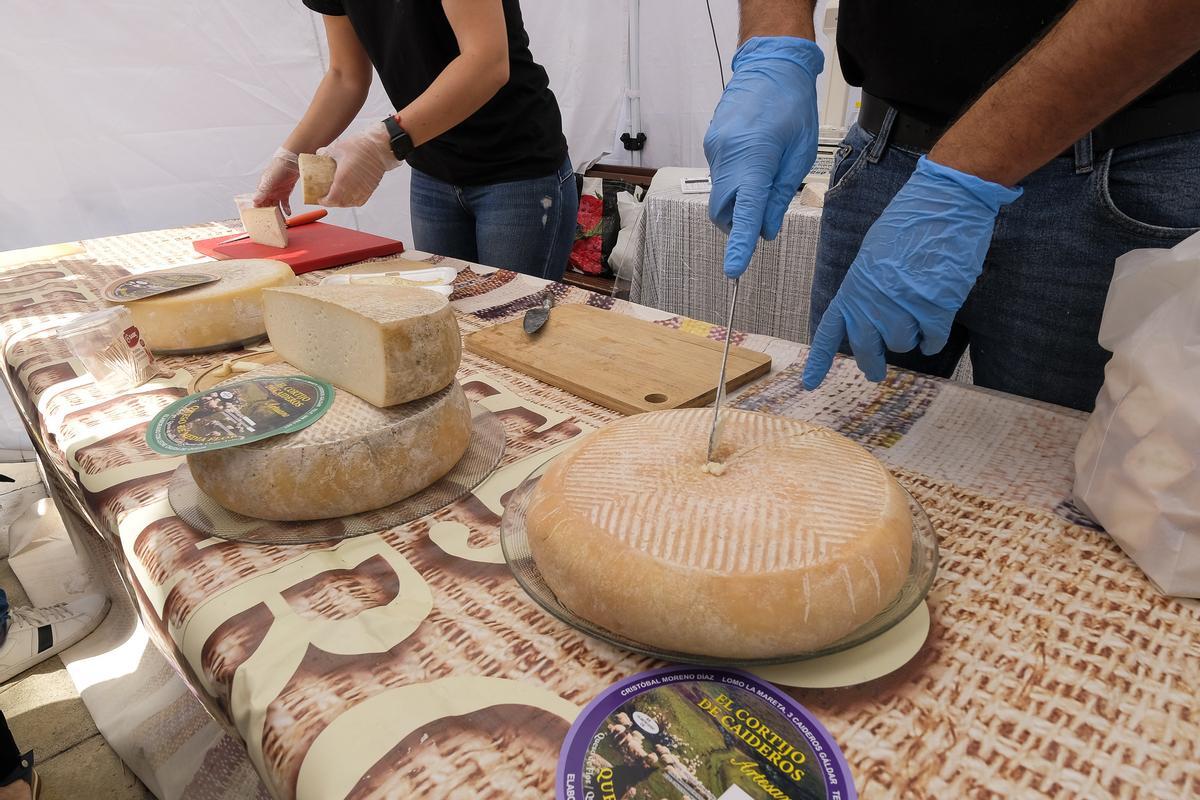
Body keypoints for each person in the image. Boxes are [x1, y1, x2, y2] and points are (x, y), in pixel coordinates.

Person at [704, 1, 1200, 411]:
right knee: (835, 444)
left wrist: (964, 180)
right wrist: (775, 44)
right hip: (885, 151)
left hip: (1117, 172)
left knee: (1049, 476)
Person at [254, 0, 578, 281]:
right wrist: (290, 157)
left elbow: (486, 62)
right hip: (432, 170)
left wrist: (381, 144)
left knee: (510, 321)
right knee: (446, 315)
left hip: (517, 169)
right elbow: (345, 75)